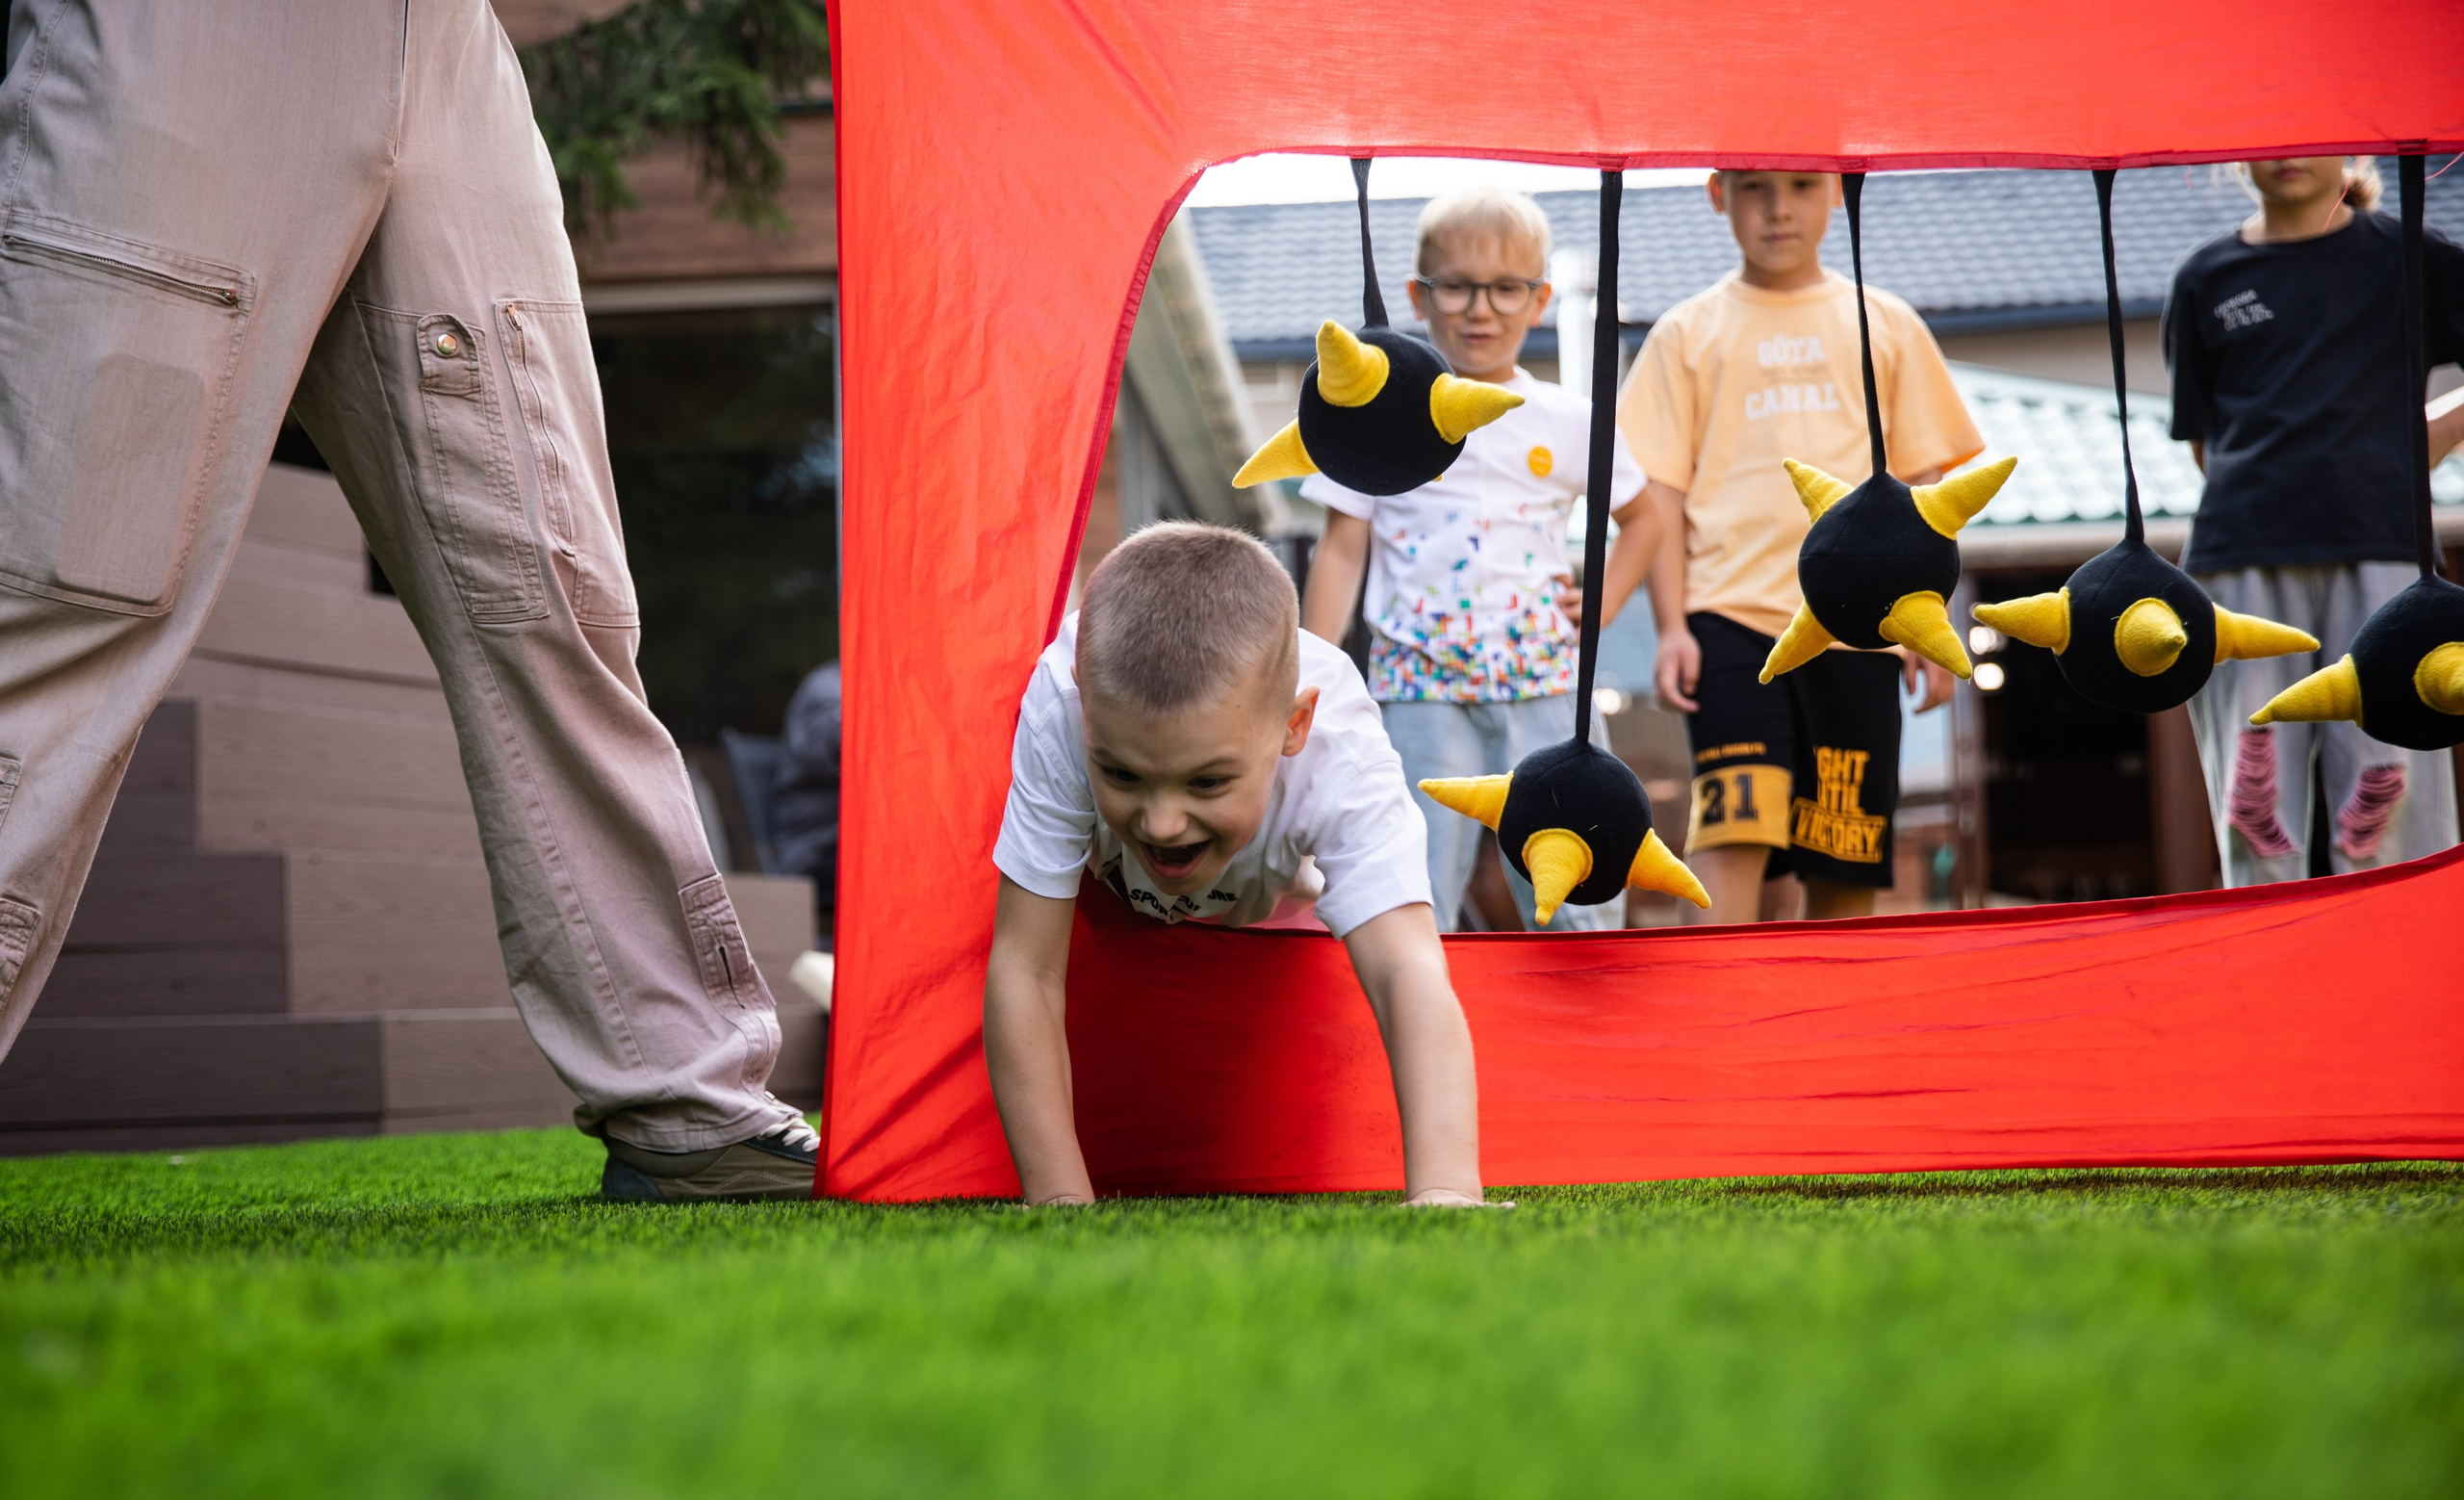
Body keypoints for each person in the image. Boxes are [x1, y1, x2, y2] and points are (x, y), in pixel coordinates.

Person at [0, 1, 812, 1201]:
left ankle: (687, 1092)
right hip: (202, 32)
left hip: (446, 45)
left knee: (549, 590)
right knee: (78, 580)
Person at [984, 524, 1494, 1207]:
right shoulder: (1059, 703)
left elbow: (1407, 968)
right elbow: (1027, 966)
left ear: (1294, 725)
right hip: (1110, 908)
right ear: (1083, 700)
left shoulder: (1343, 754)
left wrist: (1446, 1189)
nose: (1162, 822)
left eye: (1206, 783)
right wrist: (1060, 1203)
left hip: (1277, 914)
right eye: (1123, 774)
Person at [1619, 170, 1979, 924]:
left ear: (1838, 193)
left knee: (1844, 856)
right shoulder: (1685, 332)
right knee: (1730, 836)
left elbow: (1925, 485)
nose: (1778, 208)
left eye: (1802, 186)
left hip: (1862, 631)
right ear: (1718, 194)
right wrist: (1672, 627)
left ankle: (1833, 1038)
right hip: (1729, 624)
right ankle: (1723, 1031)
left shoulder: (1886, 323)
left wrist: (1930, 617)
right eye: (1754, 188)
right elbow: (1661, 496)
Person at [1298, 187, 1655, 933]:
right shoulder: (1382, 411)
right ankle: (1417, 1017)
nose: (1479, 309)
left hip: (1545, 683)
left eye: (1505, 288)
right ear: (1418, 296)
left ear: (1540, 300)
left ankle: (1587, 1026)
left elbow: (1644, 517)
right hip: (1421, 681)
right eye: (1456, 286)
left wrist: (1604, 603)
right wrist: (1312, 671)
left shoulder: (1566, 419)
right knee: (1410, 877)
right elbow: (1341, 545)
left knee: (1573, 870)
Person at [2167, 156, 2464, 885]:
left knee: (2391, 790)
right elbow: (2206, 445)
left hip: (2386, 556)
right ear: (2238, 158)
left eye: (2307, 136)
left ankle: (2405, 977)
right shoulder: (2204, 277)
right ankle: (2271, 985)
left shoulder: (2411, 257)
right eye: (2266, 140)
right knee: (2253, 807)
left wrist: (2408, 451)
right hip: (2239, 561)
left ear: (2350, 149)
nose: (2286, 154)